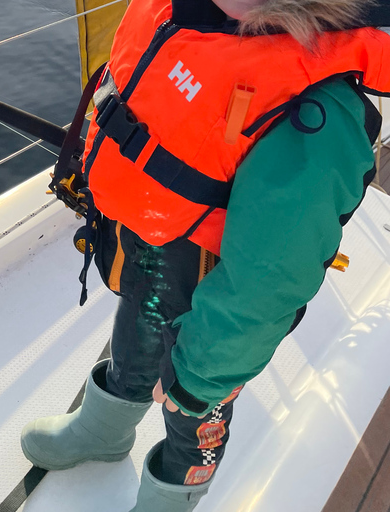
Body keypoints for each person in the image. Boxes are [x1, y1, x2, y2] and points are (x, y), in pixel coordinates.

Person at [21, 0, 390, 510]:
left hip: (214, 296)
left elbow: (269, 279)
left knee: (196, 412)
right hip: (149, 241)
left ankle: (172, 494)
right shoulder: (179, 10)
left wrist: (203, 378)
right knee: (135, 323)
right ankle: (105, 427)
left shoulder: (319, 106)